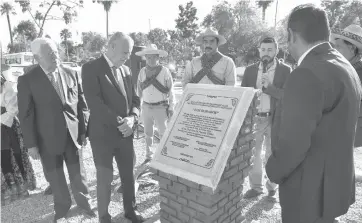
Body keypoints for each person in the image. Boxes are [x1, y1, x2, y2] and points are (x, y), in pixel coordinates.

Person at [265, 4, 362, 223]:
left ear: (291, 35)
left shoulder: (306, 73)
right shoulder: (344, 66)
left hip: (308, 190)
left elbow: (294, 143)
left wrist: (273, 169)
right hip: (331, 185)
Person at [17, 38, 94, 222]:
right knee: (56, 176)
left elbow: (81, 104)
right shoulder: (27, 80)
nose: (55, 56)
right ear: (37, 58)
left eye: (55, 52)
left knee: (78, 173)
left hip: (73, 135)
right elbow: (25, 115)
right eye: (50, 54)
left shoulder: (71, 73)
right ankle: (62, 208)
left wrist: (83, 131)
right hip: (46, 139)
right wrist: (31, 144)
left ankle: (85, 203)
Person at [81, 32, 145, 223]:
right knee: (104, 179)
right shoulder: (91, 68)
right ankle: (104, 217)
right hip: (103, 136)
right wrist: (122, 123)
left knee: (128, 175)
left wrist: (132, 119)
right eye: (125, 52)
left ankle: (130, 211)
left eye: (129, 53)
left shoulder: (125, 70)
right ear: (111, 47)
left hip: (126, 133)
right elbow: (95, 102)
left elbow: (135, 99)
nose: (127, 56)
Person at [241, 37, 291, 199]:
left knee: (272, 154)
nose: (266, 53)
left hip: (274, 119)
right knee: (253, 154)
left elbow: (288, 96)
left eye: (270, 50)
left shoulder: (286, 70)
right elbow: (243, 95)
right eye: (263, 49)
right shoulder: (249, 70)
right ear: (259, 50)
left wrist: (270, 88)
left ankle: (272, 185)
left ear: (276, 50)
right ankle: (256, 187)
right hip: (255, 119)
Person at [1, 64, 36, 206]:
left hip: (6, 128)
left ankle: (19, 189)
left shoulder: (6, 86)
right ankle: (5, 192)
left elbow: (12, 109)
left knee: (10, 157)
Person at [136, 44, 175, 162]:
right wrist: (138, 107)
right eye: (148, 58)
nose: (151, 60)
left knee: (163, 133)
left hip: (160, 107)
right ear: (145, 58)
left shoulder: (165, 71)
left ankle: (165, 156)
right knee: (148, 133)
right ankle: (149, 155)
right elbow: (139, 91)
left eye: (154, 57)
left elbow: (170, 90)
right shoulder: (142, 72)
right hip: (146, 107)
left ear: (158, 58)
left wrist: (171, 106)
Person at [22, 64, 52, 196]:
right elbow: (25, 115)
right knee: (46, 160)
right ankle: (52, 183)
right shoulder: (25, 89)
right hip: (40, 132)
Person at [330, 24, 362, 147]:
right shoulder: (343, 68)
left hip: (351, 132)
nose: (335, 51)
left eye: (339, 47)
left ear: (352, 48)